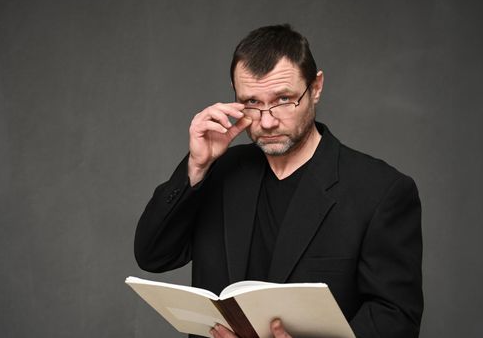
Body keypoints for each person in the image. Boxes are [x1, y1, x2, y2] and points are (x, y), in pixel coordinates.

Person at [134, 24, 423, 338]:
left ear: (316, 88)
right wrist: (196, 166)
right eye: (252, 103)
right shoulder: (219, 170)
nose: (268, 121)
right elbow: (153, 255)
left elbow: (397, 318)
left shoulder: (381, 190)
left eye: (284, 99)